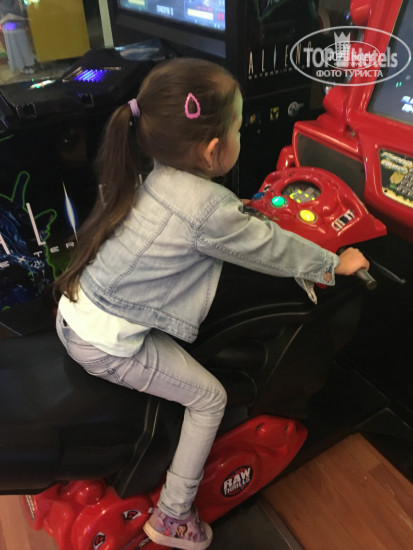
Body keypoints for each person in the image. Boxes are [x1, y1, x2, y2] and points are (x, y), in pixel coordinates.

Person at [53, 57, 369, 550]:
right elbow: (272, 249)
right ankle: (174, 515)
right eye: (239, 127)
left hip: (75, 315)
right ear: (213, 149)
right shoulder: (208, 208)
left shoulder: (156, 173)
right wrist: (334, 263)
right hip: (106, 345)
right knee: (210, 399)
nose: (241, 135)